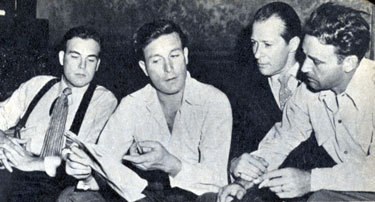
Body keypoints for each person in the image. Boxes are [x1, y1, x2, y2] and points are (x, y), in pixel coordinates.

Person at [57, 19, 232, 202]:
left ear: (186, 56)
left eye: (174, 56)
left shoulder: (213, 101)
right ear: (144, 68)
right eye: (156, 60)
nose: (168, 69)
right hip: (146, 196)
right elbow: (105, 159)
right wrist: (85, 171)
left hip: (197, 197)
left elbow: (217, 181)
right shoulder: (132, 104)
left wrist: (171, 164)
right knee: (71, 197)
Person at [221, 3, 374, 202]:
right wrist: (243, 183)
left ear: (349, 63)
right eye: (305, 55)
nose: (304, 67)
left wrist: (311, 180)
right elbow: (283, 140)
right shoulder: (308, 92)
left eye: (316, 62)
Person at [0, 26, 118, 202]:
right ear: (62, 58)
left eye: (90, 60)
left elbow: (86, 157)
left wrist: (34, 163)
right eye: (75, 56)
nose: (82, 66)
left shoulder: (103, 100)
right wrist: (3, 140)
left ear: (98, 65)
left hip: (63, 182)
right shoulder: (37, 85)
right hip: (14, 169)